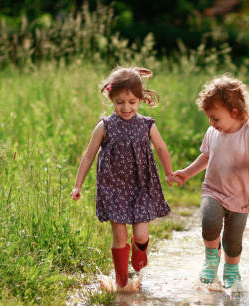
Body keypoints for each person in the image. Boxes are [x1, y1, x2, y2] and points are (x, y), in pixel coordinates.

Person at [71, 66, 174, 289]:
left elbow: (161, 148)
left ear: (140, 99)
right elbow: (88, 156)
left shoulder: (147, 125)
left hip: (141, 186)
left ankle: (139, 249)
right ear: (111, 99)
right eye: (120, 103)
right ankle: (121, 281)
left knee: (140, 234)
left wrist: (169, 173)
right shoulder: (105, 126)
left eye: (132, 102)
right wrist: (77, 185)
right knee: (119, 235)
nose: (126, 107)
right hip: (113, 187)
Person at [172, 74, 249, 289]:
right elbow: (205, 157)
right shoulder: (212, 132)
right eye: (209, 118)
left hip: (240, 198)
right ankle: (210, 260)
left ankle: (231, 267)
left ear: (235, 112)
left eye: (216, 118)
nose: (211, 123)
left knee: (233, 241)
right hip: (213, 190)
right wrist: (187, 173)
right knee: (209, 223)